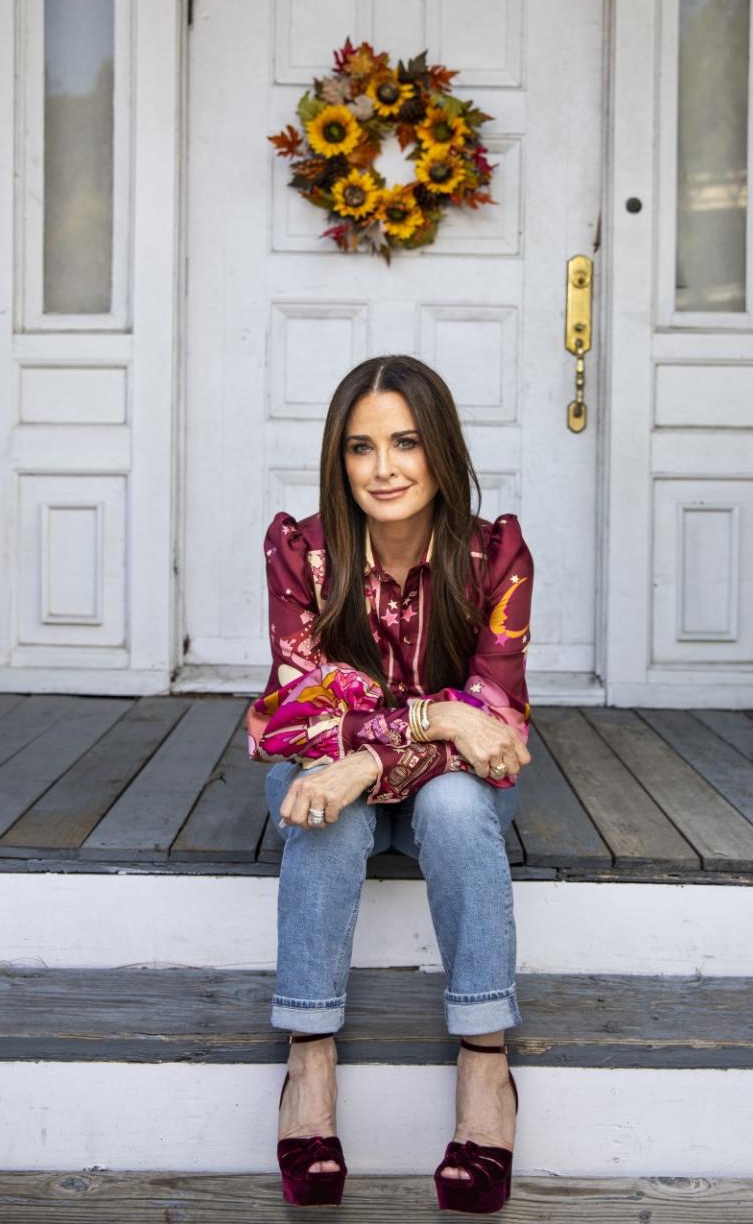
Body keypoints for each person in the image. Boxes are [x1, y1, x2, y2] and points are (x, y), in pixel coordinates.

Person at [246, 354, 534, 1214]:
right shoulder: (303, 553)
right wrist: (434, 718)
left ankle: (486, 1066)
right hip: (327, 786)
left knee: (450, 806)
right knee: (325, 818)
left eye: (406, 442)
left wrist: (371, 751)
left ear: (440, 449)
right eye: (360, 447)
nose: (384, 469)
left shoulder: (494, 557)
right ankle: (310, 1059)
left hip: (441, 785)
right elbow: (288, 720)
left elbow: (499, 729)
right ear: (338, 460)